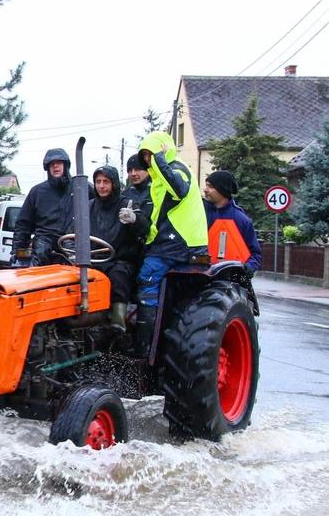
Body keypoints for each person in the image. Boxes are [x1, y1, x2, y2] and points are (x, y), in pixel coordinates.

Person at [134, 131, 209, 355]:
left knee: (148, 277)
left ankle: (144, 350)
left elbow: (179, 190)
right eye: (145, 156)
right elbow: (158, 220)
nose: (148, 160)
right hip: (166, 243)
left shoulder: (178, 170)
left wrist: (160, 159)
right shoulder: (157, 182)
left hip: (182, 245)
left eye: (151, 154)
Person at [89, 165, 147, 328]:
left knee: (118, 274)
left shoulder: (127, 204)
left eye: (106, 182)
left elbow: (144, 228)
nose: (101, 186)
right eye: (98, 181)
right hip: (92, 259)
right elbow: (72, 232)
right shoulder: (89, 207)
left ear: (114, 183)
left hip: (119, 259)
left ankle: (118, 320)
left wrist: (135, 219)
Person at [12, 147, 78, 266]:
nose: (55, 166)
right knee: (41, 250)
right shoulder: (37, 192)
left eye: (58, 163)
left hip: (73, 241)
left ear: (65, 165)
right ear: (47, 168)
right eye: (51, 164)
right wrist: (17, 250)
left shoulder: (82, 189)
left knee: (78, 261)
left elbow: (99, 212)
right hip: (44, 242)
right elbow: (23, 224)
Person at [202, 170, 262, 274]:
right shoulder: (200, 213)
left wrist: (247, 268)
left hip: (231, 282)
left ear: (222, 190)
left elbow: (255, 255)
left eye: (210, 186)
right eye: (206, 185)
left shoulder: (241, 220)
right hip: (200, 278)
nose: (205, 190)